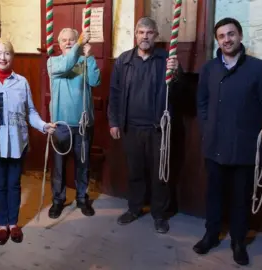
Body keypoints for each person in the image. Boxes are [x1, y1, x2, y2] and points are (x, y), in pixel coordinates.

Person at [194, 17, 262, 266]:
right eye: (221, 36)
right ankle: (211, 235)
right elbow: (201, 102)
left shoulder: (258, 68)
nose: (227, 39)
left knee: (241, 197)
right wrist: (206, 126)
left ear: (240, 36)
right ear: (217, 41)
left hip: (245, 146)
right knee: (213, 195)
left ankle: (238, 242)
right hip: (214, 144)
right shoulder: (209, 68)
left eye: (231, 34)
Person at [0, 38, 56, 245]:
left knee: (14, 184)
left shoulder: (22, 82)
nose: (3, 57)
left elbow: (31, 112)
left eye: (7, 53)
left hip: (18, 143)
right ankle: (2, 225)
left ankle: (13, 224)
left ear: (13, 56)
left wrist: (43, 125)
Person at [107, 17, 184, 233]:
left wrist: (177, 73)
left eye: (149, 32)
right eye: (141, 32)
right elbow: (114, 92)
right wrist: (113, 121)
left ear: (156, 36)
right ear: (135, 34)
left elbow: (180, 92)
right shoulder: (124, 61)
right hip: (131, 127)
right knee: (135, 171)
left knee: (160, 174)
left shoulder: (167, 60)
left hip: (157, 128)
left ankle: (159, 214)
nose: (145, 36)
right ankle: (134, 209)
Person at [46, 28, 101, 219]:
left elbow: (95, 81)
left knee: (83, 164)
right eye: (65, 40)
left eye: (72, 39)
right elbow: (67, 64)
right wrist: (80, 44)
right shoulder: (53, 62)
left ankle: (82, 198)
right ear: (59, 44)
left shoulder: (84, 61)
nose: (68, 43)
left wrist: (90, 57)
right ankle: (58, 201)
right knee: (59, 166)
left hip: (83, 123)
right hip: (61, 125)